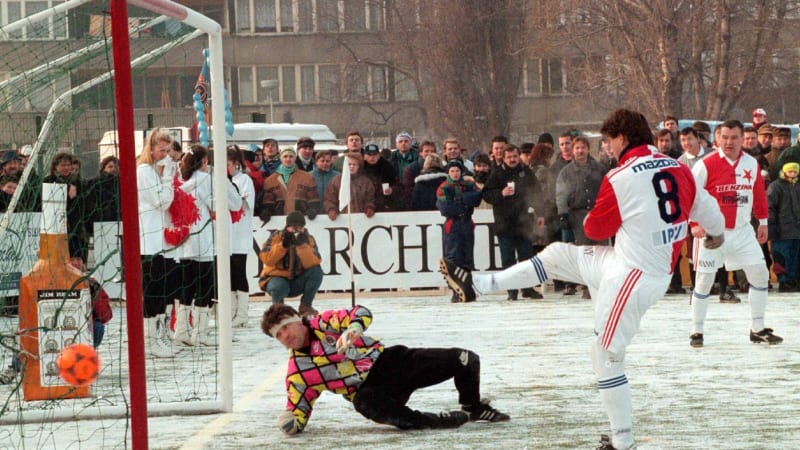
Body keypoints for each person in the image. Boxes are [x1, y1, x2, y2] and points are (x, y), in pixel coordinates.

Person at [443, 109, 725, 450]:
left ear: (622, 138)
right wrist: (716, 235)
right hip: (630, 265)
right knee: (557, 256)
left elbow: (594, 229)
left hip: (633, 277)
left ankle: (622, 442)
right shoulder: (680, 167)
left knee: (604, 355)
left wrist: (605, 212)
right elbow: (707, 210)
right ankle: (477, 285)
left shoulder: (621, 177)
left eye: (607, 141)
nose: (606, 148)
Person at [261, 303, 509, 435]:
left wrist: (354, 328)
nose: (284, 336)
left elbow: (361, 312)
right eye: (278, 335)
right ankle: (432, 422)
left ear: (297, 319)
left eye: (285, 328)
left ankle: (473, 407)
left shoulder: (323, 322)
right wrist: (290, 423)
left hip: (390, 362)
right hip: (372, 391)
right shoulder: (298, 374)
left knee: (466, 358)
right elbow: (298, 411)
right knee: (364, 401)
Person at [688, 119, 782, 348]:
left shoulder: (751, 163)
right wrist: (694, 225)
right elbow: (691, 196)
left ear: (743, 139)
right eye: (725, 137)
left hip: (742, 231)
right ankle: (696, 331)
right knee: (704, 281)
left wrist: (762, 222)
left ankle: (757, 328)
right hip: (712, 233)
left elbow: (758, 194)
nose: (729, 142)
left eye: (734, 137)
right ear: (717, 138)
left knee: (760, 275)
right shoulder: (705, 164)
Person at [171, 145, 242, 347]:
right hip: (203, 241)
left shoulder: (183, 181)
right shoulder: (205, 180)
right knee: (205, 287)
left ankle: (182, 330)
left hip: (185, 241)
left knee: (187, 286)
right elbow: (230, 205)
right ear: (205, 162)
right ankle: (200, 333)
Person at [136, 128, 179, 357]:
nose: (164, 154)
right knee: (152, 290)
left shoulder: (153, 170)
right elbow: (161, 201)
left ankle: (159, 336)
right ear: (150, 148)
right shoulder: (144, 171)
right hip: (148, 240)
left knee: (162, 289)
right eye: (161, 150)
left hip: (159, 239)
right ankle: (149, 341)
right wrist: (167, 179)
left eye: (167, 150)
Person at [482, 144, 540, 301]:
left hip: (523, 223)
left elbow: (537, 192)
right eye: (509, 157)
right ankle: (511, 290)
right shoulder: (497, 173)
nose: (512, 160)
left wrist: (538, 212)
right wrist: (500, 193)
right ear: (504, 158)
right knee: (507, 259)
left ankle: (528, 288)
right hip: (504, 223)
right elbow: (486, 194)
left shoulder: (526, 172)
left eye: (515, 156)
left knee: (526, 258)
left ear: (519, 156)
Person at [555, 136, 608, 298]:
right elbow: (561, 194)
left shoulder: (599, 168)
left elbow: (608, 188)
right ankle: (587, 286)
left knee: (602, 251)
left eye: (583, 147)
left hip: (598, 213)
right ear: (573, 150)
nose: (580, 151)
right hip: (578, 215)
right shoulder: (566, 172)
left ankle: (603, 283)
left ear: (588, 149)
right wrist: (563, 213)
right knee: (585, 251)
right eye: (577, 148)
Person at [258, 211, 322, 317]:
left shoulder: (308, 239)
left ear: (304, 227)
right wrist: (283, 245)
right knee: (279, 286)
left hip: (297, 281)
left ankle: (305, 306)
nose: (296, 230)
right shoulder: (276, 237)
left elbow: (315, 262)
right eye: (293, 227)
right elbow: (267, 259)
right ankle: (279, 310)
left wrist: (302, 246)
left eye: (299, 227)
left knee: (316, 271)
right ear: (287, 227)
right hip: (276, 279)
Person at [436, 159, 482, 302]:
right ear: (448, 172)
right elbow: (445, 208)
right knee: (453, 258)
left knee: (467, 258)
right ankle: (455, 290)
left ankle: (466, 286)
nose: (455, 174)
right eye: (452, 171)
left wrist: (459, 199)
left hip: (467, 223)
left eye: (457, 171)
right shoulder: (444, 187)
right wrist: (464, 202)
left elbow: (477, 198)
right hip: (453, 223)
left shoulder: (468, 184)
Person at [228, 145, 256, 328]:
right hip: (227, 234)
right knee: (229, 274)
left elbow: (243, 204)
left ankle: (243, 313)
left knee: (239, 273)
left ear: (236, 164)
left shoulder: (244, 180)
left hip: (240, 233)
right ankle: (231, 311)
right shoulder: (223, 180)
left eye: (228, 164)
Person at [259, 147, 321, 223]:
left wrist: (313, 209)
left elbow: (313, 198)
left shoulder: (307, 177)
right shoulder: (270, 180)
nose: (288, 159)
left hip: (301, 219)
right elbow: (268, 201)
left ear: (295, 158)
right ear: (281, 158)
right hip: (279, 220)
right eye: (285, 156)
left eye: (291, 156)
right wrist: (267, 211)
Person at [767, 162, 800, 292]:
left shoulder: (798, 186)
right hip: (782, 230)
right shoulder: (776, 186)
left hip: (797, 230)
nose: (792, 174)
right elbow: (770, 208)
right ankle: (784, 280)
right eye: (790, 171)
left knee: (795, 256)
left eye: (795, 171)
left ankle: (794, 279)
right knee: (781, 256)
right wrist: (772, 227)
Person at [324, 152, 376, 219]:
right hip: (341, 218)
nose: (351, 166)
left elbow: (370, 199)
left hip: (361, 218)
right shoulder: (336, 181)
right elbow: (329, 199)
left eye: (354, 164)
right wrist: (331, 209)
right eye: (349, 164)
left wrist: (370, 207)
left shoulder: (366, 182)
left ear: (358, 166)